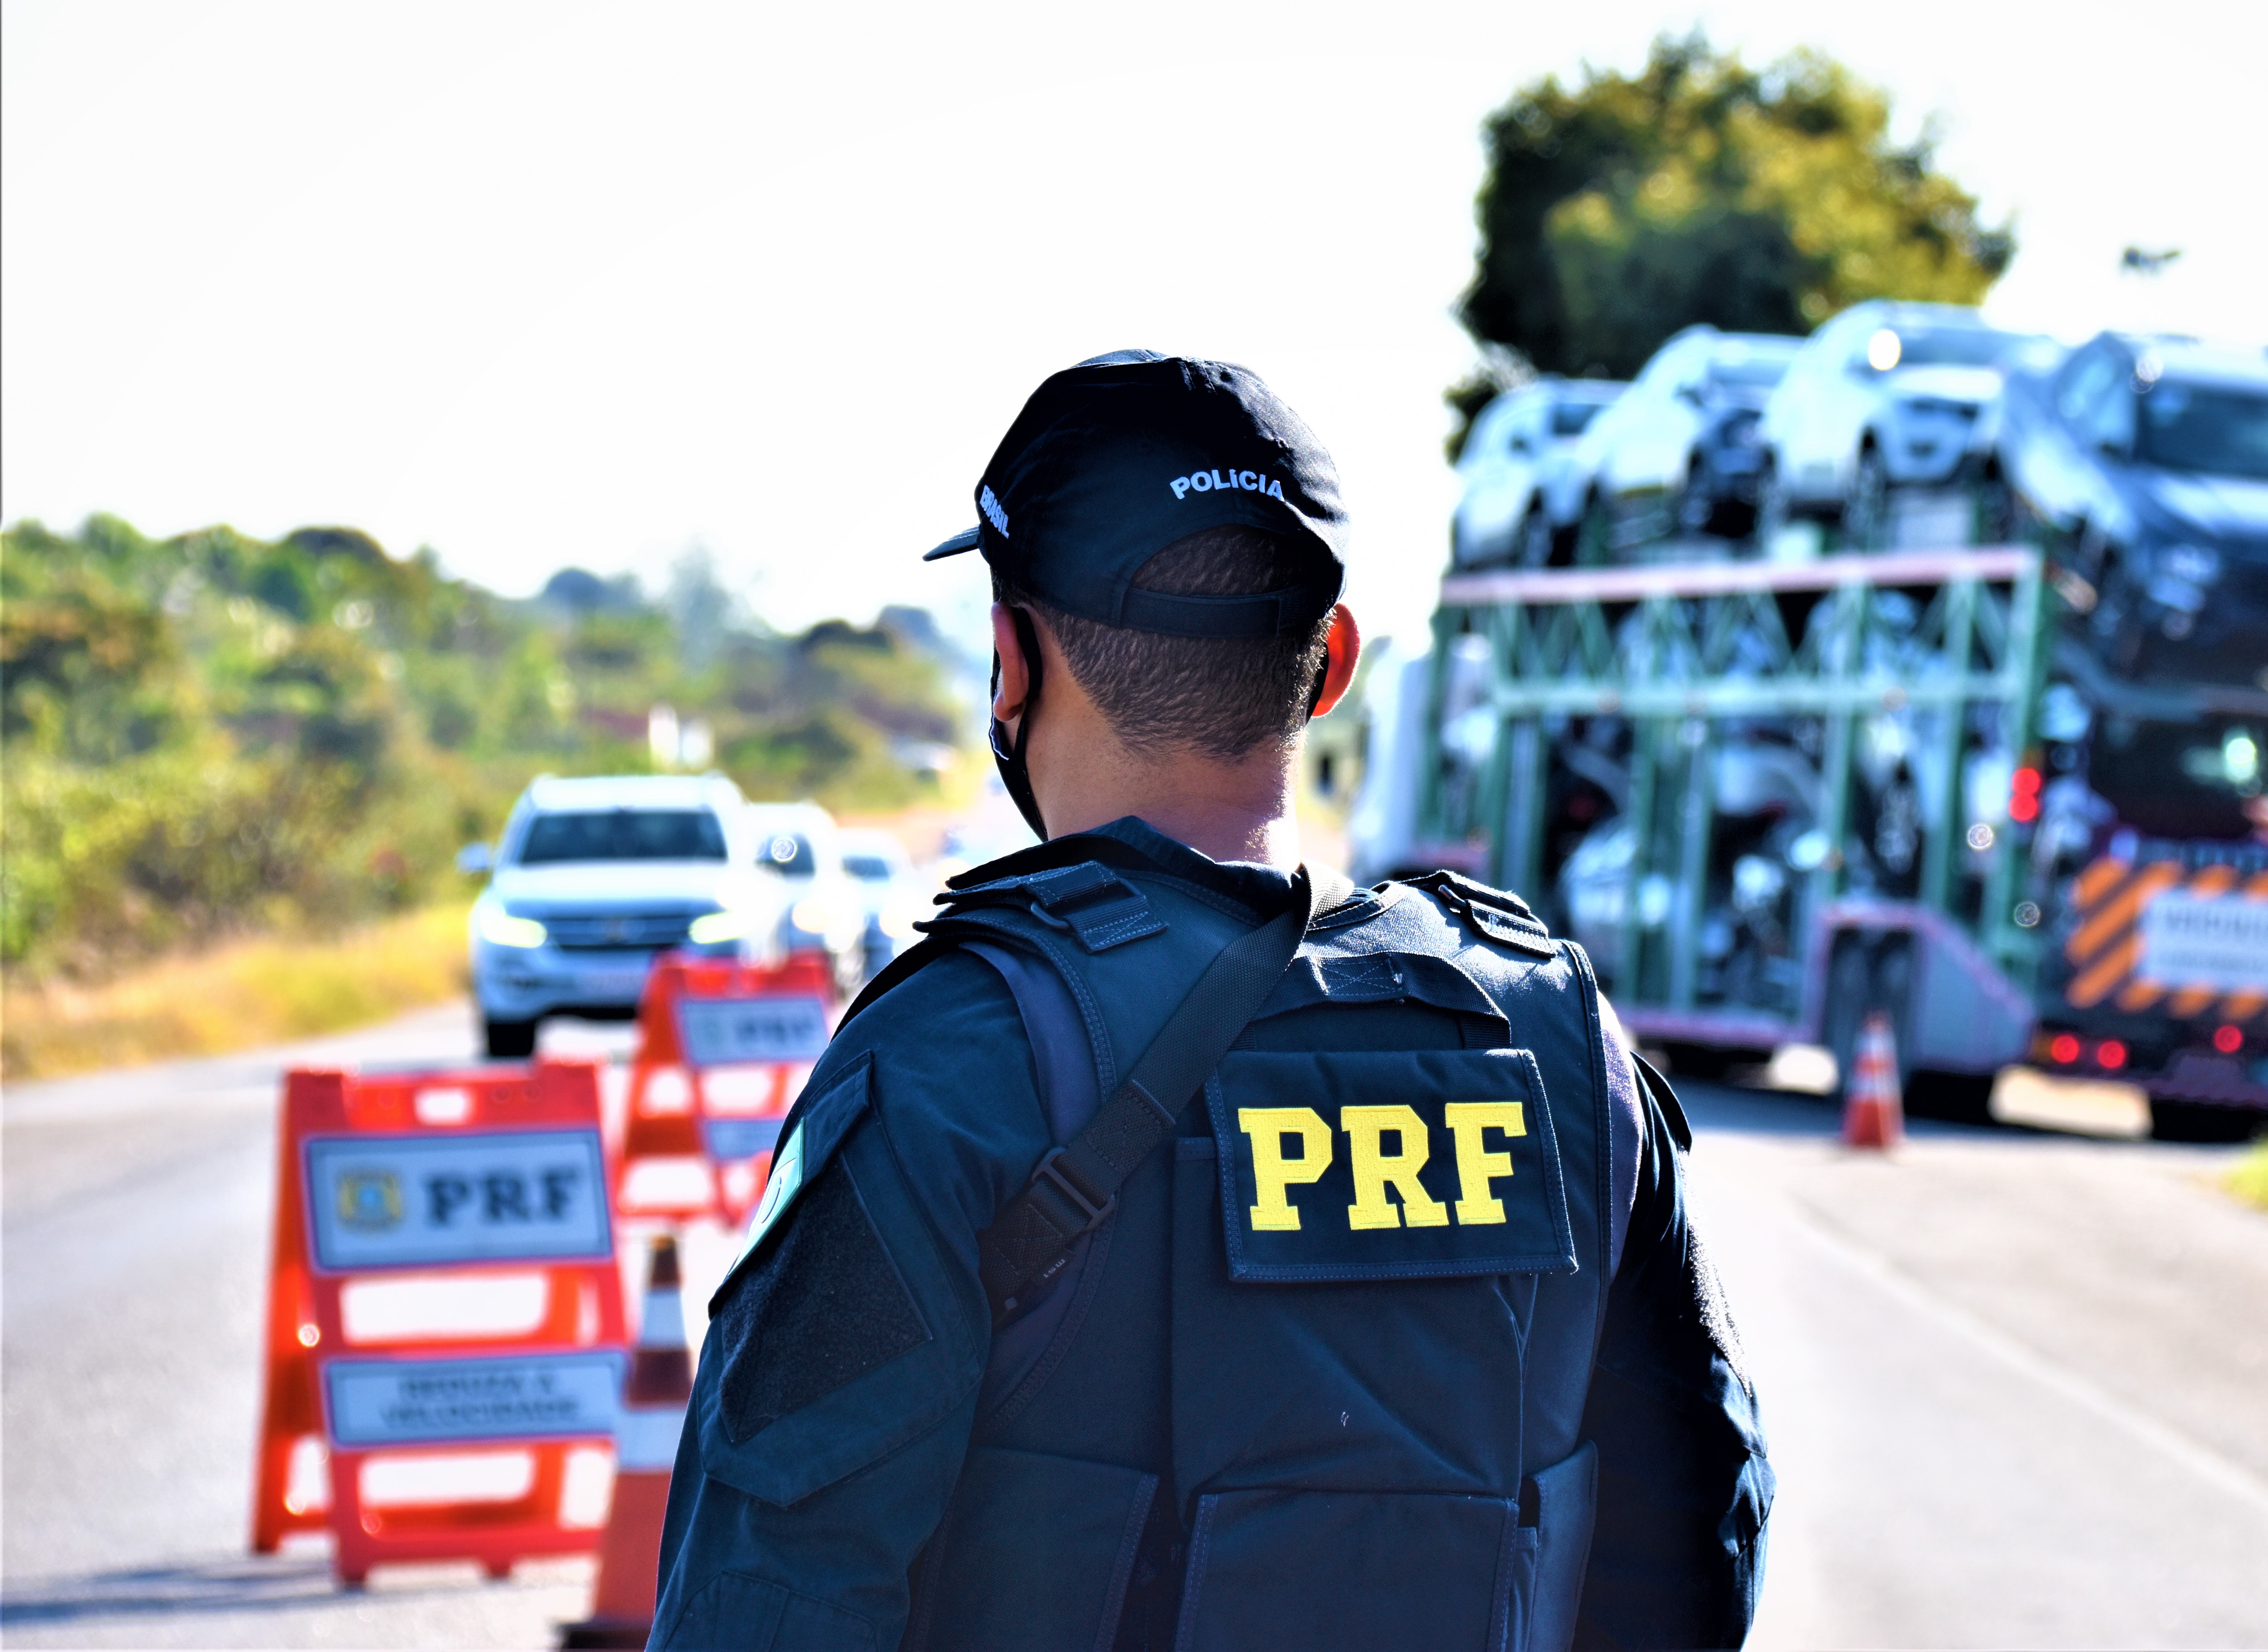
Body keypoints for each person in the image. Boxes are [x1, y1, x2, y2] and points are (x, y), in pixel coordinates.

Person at [650, 352, 1770, 1652]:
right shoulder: (1558, 1040)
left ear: (1011, 661)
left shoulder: (952, 1056)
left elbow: (766, 1592)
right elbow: (1704, 1537)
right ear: (1330, 665)